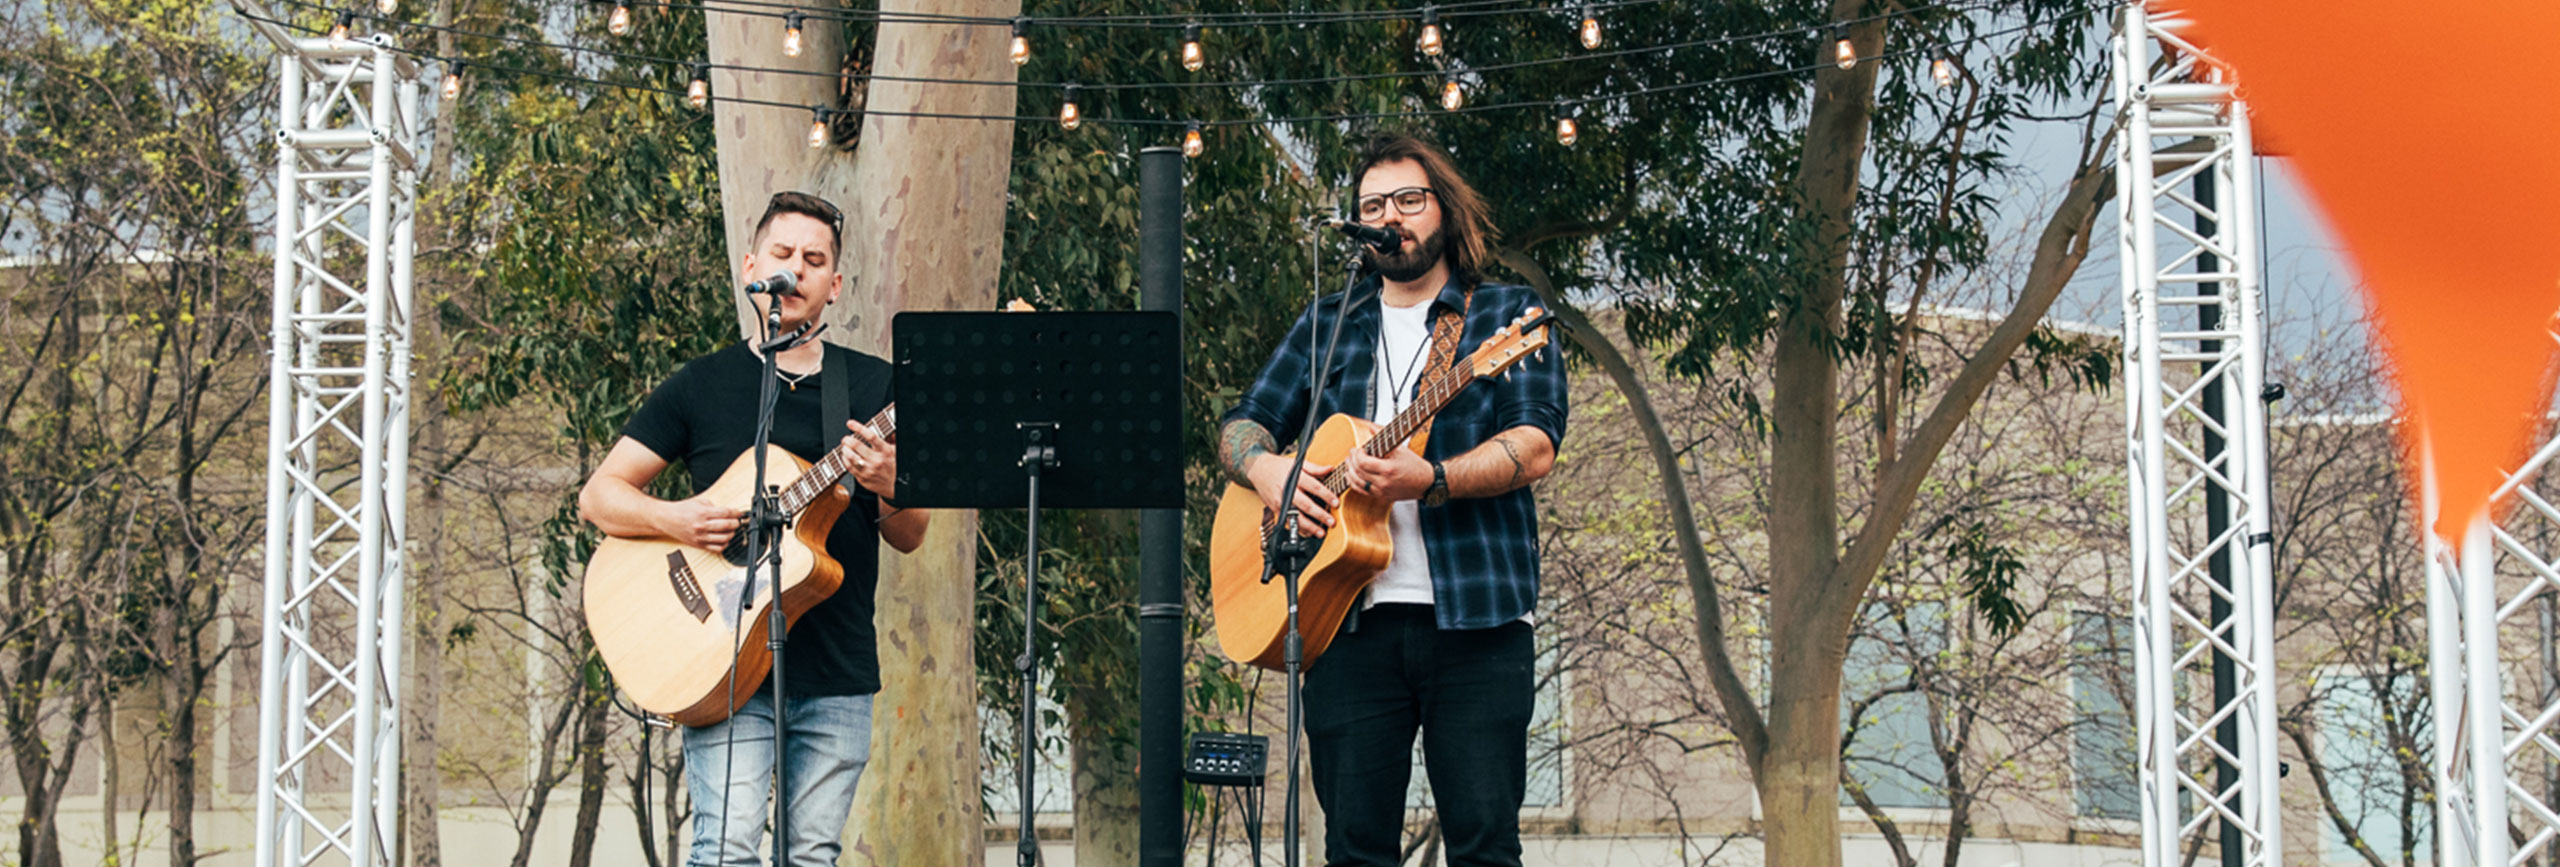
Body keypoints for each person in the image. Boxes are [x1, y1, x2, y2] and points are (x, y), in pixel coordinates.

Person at [1217, 134, 1568, 866]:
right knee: (1353, 847)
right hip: (1344, 624)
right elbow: (1239, 427)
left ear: (1444, 209)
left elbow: (1534, 444)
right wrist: (1271, 473)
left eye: (1408, 199)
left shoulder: (1505, 318)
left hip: (1477, 621)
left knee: (1485, 845)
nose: (1391, 216)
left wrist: (1430, 478)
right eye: (1372, 205)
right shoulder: (1328, 322)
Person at [577, 190, 927, 867]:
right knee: (725, 849)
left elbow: (911, 533)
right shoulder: (700, 386)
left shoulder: (877, 386)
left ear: (835, 284)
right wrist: (676, 517)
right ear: (750, 265)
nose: (795, 269)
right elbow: (601, 495)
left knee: (814, 855)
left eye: (814, 259)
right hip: (721, 657)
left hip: (837, 665)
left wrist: (888, 481)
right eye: (783, 253)